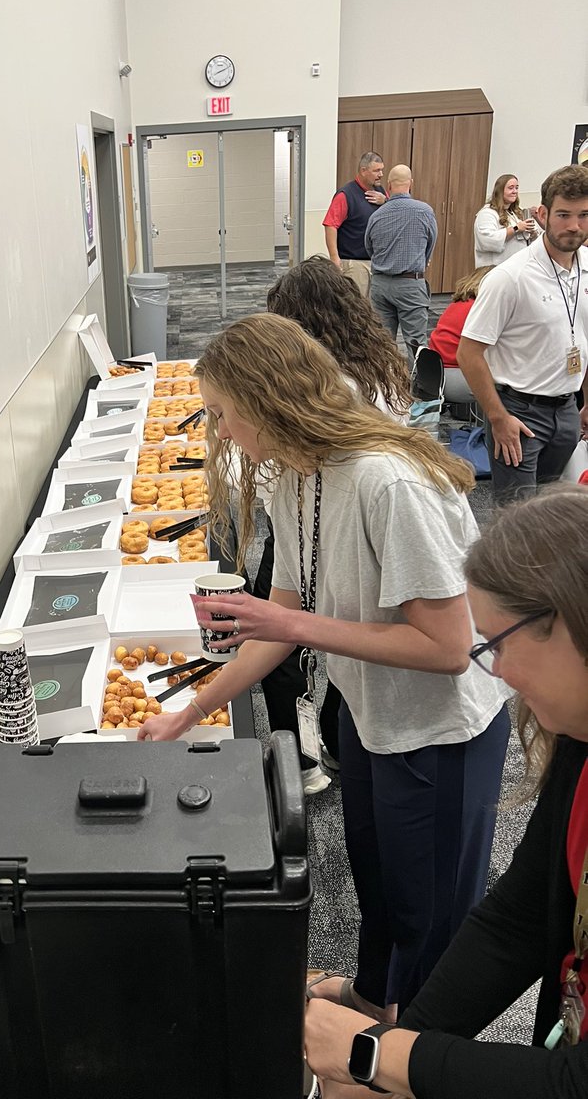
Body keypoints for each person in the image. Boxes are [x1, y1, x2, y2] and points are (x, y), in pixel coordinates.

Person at [138, 312, 509, 1016]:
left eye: (222, 414)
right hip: (372, 717)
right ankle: (374, 998)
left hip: (438, 733)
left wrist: (293, 623)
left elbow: (448, 648)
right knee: (378, 880)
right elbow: (281, 619)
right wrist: (191, 711)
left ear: (264, 403)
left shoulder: (386, 483)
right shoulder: (295, 473)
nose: (221, 433)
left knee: (429, 911)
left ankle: (408, 1049)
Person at [305, 484, 588, 1099]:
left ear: (568, 623)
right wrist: (387, 1061)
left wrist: (382, 1059)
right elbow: (518, 919)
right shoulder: (579, 737)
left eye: (498, 645)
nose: (498, 672)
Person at [258, 256, 412, 794]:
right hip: (339, 522)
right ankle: (335, 741)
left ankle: (300, 757)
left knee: (295, 630)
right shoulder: (382, 366)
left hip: (325, 519)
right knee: (347, 629)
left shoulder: (322, 393)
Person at [457, 164, 588, 504]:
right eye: (563, 215)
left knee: (548, 510)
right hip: (519, 411)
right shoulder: (510, 277)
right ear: (542, 214)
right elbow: (468, 353)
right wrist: (498, 417)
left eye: (584, 215)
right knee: (515, 517)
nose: (574, 226)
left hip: (567, 408)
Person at [365, 165, 438, 363]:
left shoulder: (376, 215)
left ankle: (384, 379)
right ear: (411, 183)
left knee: (382, 342)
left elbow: (369, 248)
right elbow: (430, 245)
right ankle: (418, 381)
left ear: (388, 185)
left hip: (380, 284)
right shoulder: (424, 211)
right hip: (410, 284)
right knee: (416, 342)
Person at [323, 152, 386, 299]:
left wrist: (385, 201)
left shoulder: (380, 192)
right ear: (363, 171)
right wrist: (334, 258)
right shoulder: (345, 195)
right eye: (376, 170)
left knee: (375, 307)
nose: (381, 174)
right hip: (354, 264)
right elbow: (330, 225)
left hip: (377, 262)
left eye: (382, 170)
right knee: (355, 305)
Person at [428, 266, 493, 403]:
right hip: (454, 375)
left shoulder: (458, 304)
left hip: (434, 372)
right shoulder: (478, 309)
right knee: (510, 386)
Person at [473, 174, 538, 267]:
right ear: (500, 191)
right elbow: (487, 240)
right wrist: (516, 228)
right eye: (511, 188)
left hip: (516, 266)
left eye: (516, 188)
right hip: (494, 268)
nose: (515, 191)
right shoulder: (487, 213)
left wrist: (532, 234)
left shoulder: (514, 214)